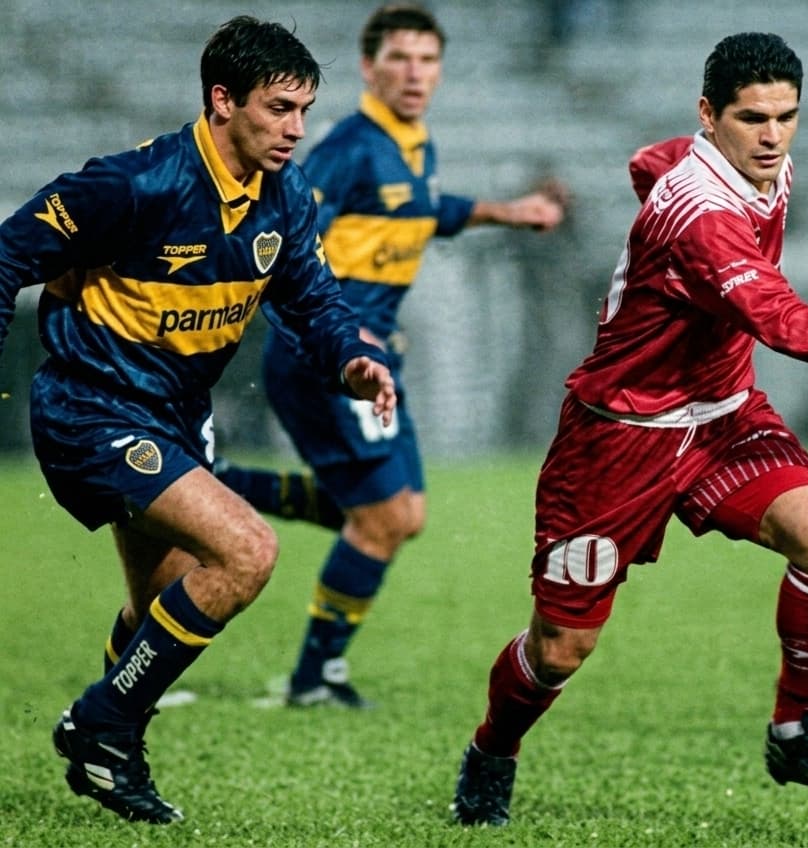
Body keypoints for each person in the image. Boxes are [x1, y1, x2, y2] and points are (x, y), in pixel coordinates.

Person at [449, 31, 808, 827]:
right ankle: (492, 749)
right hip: (618, 439)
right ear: (709, 115)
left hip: (722, 416)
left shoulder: (746, 166)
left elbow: (647, 160)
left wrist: (653, 197)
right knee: (561, 648)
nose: (773, 136)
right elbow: (780, 320)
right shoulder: (704, 214)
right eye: (752, 119)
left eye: (786, 116)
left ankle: (797, 728)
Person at [0, 17, 397, 824]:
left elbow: (315, 303)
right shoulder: (133, 185)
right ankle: (102, 728)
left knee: (160, 607)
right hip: (92, 409)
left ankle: (109, 751)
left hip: (175, 416)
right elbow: (9, 253)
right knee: (248, 551)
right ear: (222, 100)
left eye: (304, 110)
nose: (295, 128)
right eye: (279, 108)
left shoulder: (285, 197)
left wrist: (351, 359)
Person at [212, 3, 566, 709]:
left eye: (427, 60)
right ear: (369, 67)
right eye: (399, 58)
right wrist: (338, 328)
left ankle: (213, 484)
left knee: (399, 513)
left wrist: (508, 211)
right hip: (329, 359)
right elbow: (288, 230)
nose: (414, 72)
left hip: (374, 358)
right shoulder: (350, 146)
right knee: (384, 517)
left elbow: (422, 207)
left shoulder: (413, 142)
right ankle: (314, 679)